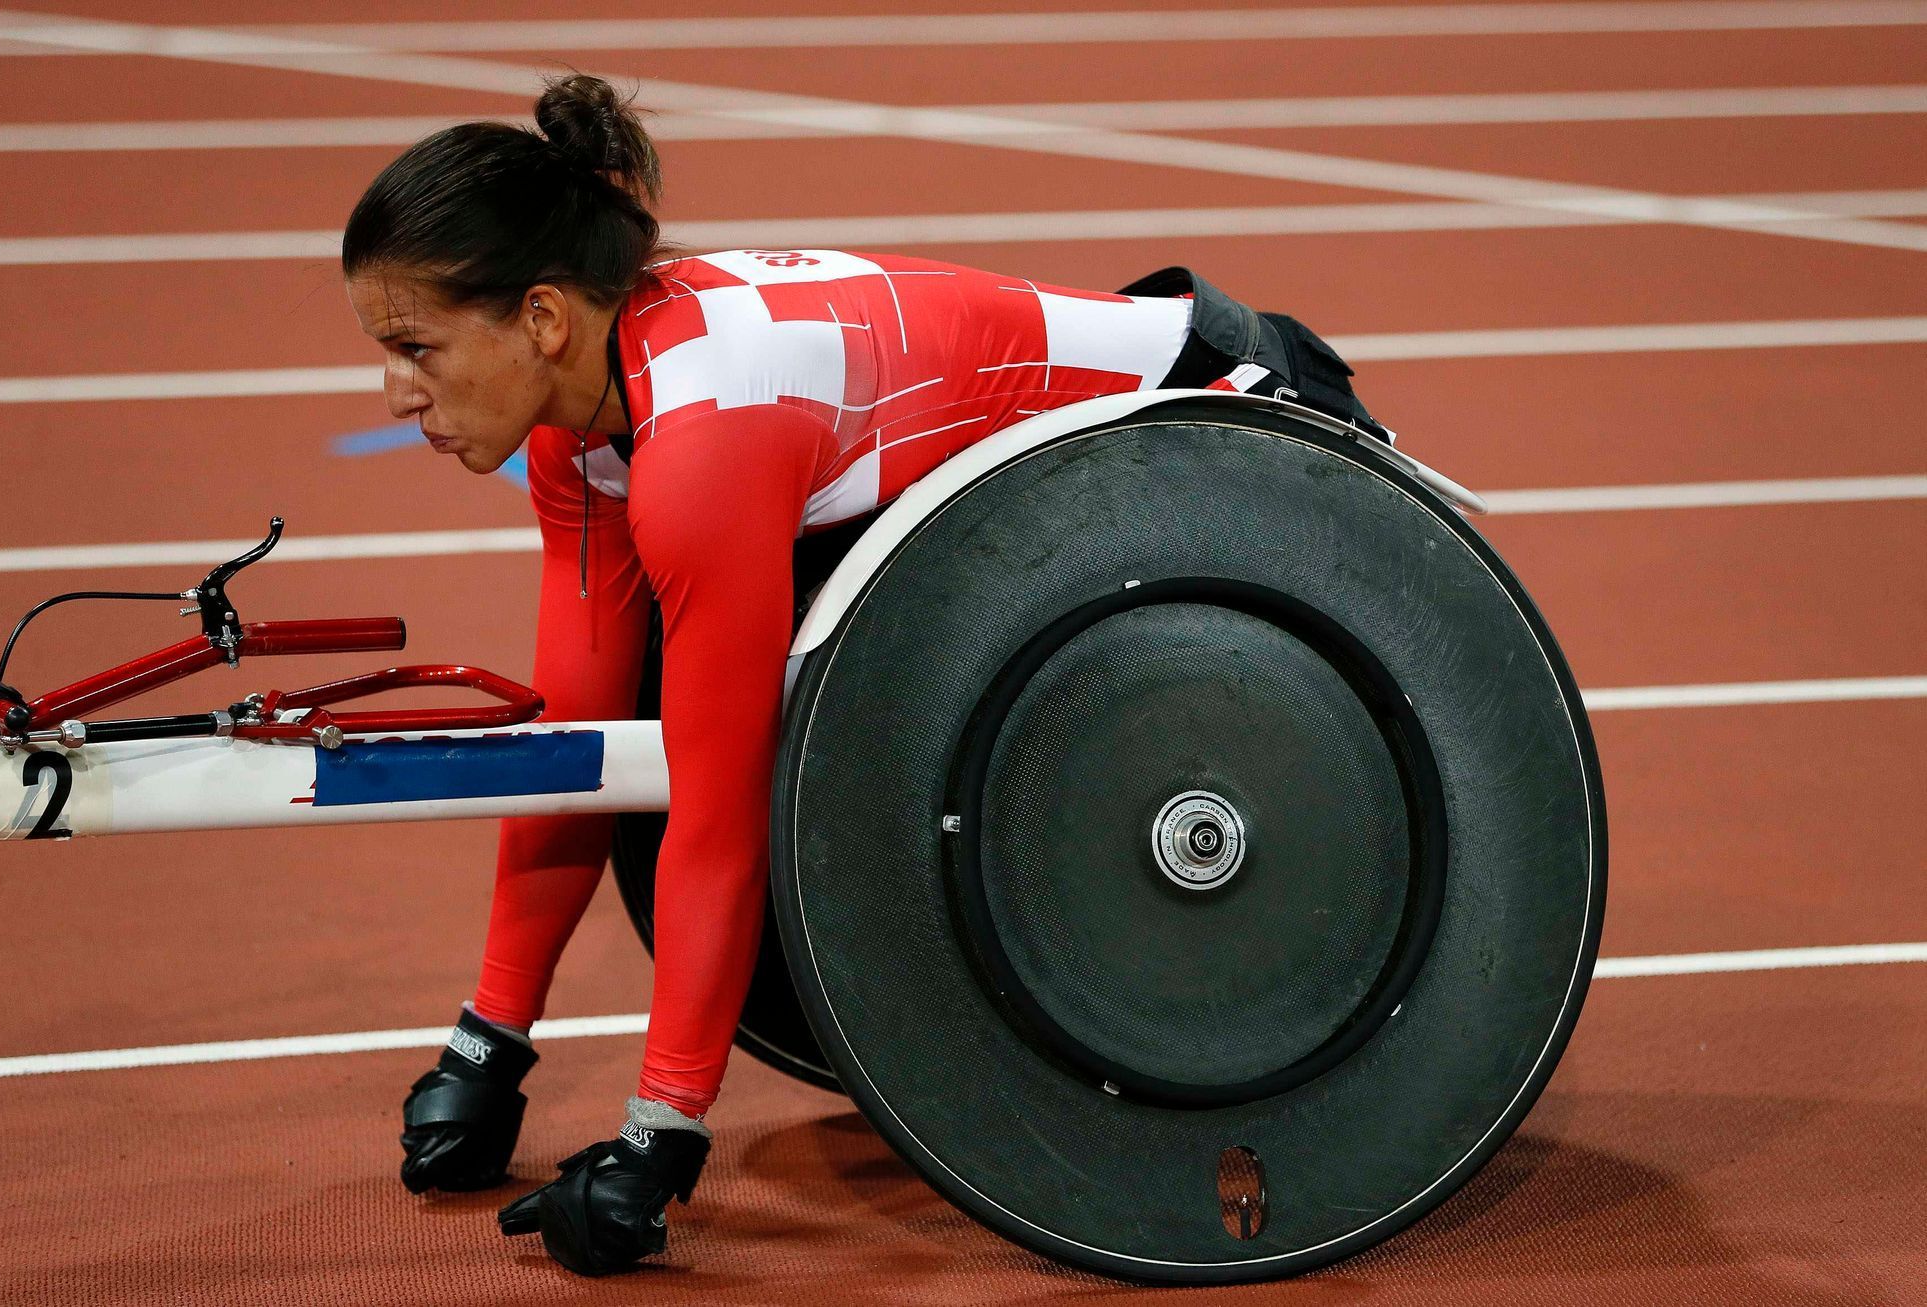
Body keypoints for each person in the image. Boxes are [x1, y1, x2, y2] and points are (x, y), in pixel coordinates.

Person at [342, 72, 1387, 1278]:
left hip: (1234, 395)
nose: (395, 391)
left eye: (414, 347)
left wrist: (657, 1138)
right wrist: (489, 1042)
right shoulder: (574, 435)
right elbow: (574, 747)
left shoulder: (704, 443)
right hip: (1108, 433)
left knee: (722, 768)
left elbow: (720, 816)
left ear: (541, 320)